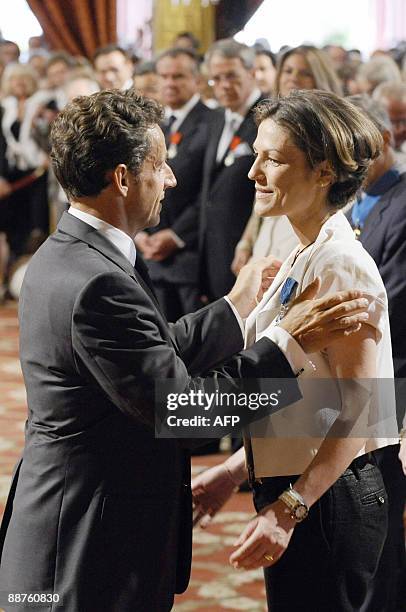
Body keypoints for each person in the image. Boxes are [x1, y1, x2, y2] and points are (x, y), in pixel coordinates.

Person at [0, 89, 369, 612]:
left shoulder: (71, 254)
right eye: (161, 165)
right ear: (123, 179)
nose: (172, 179)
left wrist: (234, 308)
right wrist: (288, 345)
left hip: (81, 523)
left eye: (273, 158)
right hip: (85, 545)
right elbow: (181, 409)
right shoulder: (96, 281)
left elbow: (150, 353)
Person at [192, 90, 399, 612]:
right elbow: (307, 397)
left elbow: (359, 410)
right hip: (303, 485)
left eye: (274, 159)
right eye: (256, 154)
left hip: (333, 496)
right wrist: (237, 470)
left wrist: (290, 507)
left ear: (324, 171)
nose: (253, 171)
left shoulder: (340, 263)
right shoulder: (303, 250)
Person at [346, 94, 406, 612]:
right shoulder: (353, 200)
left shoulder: (403, 201)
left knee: (380, 519)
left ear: (382, 143)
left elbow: (391, 299)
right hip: (347, 376)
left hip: (391, 381)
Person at [232, 45, 342, 276]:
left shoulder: (332, 134)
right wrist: (246, 240)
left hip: (302, 236)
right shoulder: (272, 125)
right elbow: (265, 188)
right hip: (268, 235)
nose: (293, 79)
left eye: (304, 72)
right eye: (288, 71)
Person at [137, 48, 212, 321]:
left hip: (189, 256)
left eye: (178, 76)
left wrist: (176, 235)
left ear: (197, 80)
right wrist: (140, 231)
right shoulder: (155, 123)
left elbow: (209, 192)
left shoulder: (212, 122)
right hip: (150, 252)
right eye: (164, 76)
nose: (169, 83)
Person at [199, 39, 263, 301]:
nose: (224, 85)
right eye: (216, 79)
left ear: (252, 73)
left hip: (247, 249)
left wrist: (249, 241)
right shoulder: (215, 118)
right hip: (212, 251)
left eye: (232, 76)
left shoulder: (268, 118)